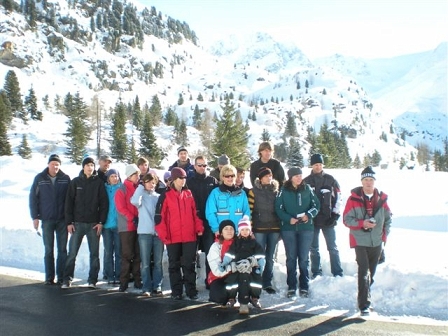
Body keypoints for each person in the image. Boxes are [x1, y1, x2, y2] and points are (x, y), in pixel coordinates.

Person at [343, 166, 391, 316]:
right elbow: (346, 219)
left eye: (371, 180)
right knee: (364, 271)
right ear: (361, 182)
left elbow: (388, 220)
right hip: (359, 240)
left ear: (374, 181)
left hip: (376, 242)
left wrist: (383, 237)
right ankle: (364, 304)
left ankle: (364, 295)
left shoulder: (382, 199)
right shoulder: (353, 199)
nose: (368, 182)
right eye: (366, 180)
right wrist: (362, 223)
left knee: (372, 272)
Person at [155, 167, 204, 300]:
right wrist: (163, 234)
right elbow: (159, 217)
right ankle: (176, 291)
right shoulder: (165, 195)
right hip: (172, 236)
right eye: (180, 178)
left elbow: (196, 213)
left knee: (189, 264)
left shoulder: (189, 194)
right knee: (174, 265)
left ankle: (191, 291)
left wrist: (199, 227)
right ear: (174, 179)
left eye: (184, 178)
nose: (183, 181)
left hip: (189, 236)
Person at [61, 157, 108, 289]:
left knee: (94, 254)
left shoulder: (98, 183)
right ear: (83, 167)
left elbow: (104, 204)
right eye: (87, 165)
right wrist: (69, 222)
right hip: (77, 224)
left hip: (93, 224)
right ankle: (67, 279)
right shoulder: (75, 182)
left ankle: (92, 280)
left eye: (92, 165)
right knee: (72, 254)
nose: (90, 167)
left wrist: (101, 222)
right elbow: (68, 203)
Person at [275, 167, 320, 299]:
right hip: (289, 229)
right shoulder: (283, 191)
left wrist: (308, 215)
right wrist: (289, 219)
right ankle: (292, 286)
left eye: (300, 175)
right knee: (291, 258)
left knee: (304, 259)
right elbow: (278, 208)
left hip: (306, 228)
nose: (299, 178)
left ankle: (304, 286)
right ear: (290, 178)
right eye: (296, 176)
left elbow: (316, 205)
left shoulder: (307, 189)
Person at [29, 154, 71, 285]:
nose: (55, 166)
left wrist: (70, 219)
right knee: (48, 249)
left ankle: (61, 276)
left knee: (62, 250)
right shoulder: (40, 178)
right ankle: (49, 277)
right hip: (47, 219)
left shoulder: (65, 178)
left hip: (62, 220)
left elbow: (70, 200)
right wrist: (35, 217)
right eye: (53, 164)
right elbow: (33, 199)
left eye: (57, 164)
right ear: (48, 165)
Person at [304, 153, 344, 278]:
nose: (318, 167)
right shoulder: (306, 182)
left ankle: (337, 272)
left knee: (333, 248)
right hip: (312, 221)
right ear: (312, 165)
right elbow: (302, 201)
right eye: (316, 164)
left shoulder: (331, 180)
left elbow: (339, 198)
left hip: (328, 220)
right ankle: (316, 272)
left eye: (320, 164)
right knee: (314, 249)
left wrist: (335, 216)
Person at [221, 216, 265, 314]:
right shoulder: (236, 242)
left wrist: (259, 265)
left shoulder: (254, 242)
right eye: (243, 230)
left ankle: (254, 298)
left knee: (255, 282)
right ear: (239, 231)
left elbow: (260, 255)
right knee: (232, 281)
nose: (245, 232)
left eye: (247, 229)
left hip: (251, 267)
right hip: (238, 267)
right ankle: (231, 298)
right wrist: (225, 263)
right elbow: (229, 254)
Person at [186, 155, 219, 288]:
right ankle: (191, 282)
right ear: (194, 166)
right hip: (192, 222)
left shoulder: (212, 181)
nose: (202, 167)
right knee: (191, 255)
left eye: (204, 165)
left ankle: (210, 281)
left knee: (210, 253)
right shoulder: (189, 181)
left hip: (208, 222)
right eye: (199, 165)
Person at [247, 167, 281, 294]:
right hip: (259, 228)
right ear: (260, 178)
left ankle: (267, 282)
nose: (269, 178)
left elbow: (280, 210)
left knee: (270, 257)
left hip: (274, 228)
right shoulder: (253, 192)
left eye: (270, 175)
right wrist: (250, 227)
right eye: (266, 176)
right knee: (259, 256)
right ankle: (256, 280)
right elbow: (249, 210)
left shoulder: (276, 191)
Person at [130, 173, 163, 297]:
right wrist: (140, 187)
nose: (151, 184)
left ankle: (157, 286)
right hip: (144, 233)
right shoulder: (141, 196)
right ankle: (147, 287)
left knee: (158, 262)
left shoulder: (158, 197)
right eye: (148, 182)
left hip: (158, 234)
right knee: (145, 263)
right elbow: (133, 201)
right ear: (144, 183)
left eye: (153, 182)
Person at [115, 164, 142, 292]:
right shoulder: (122, 189)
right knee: (126, 255)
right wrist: (132, 217)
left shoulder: (138, 188)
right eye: (136, 174)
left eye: (138, 174)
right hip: (126, 227)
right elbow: (121, 208)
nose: (138, 176)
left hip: (139, 226)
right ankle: (124, 282)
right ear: (130, 176)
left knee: (137, 254)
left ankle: (137, 280)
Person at [206, 164, 251, 235]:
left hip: (238, 232)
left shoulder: (241, 193)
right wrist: (216, 229)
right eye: (227, 176)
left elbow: (246, 211)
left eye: (232, 176)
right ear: (222, 177)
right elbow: (210, 212)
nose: (230, 178)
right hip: (222, 232)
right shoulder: (215, 193)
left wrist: (244, 227)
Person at [207, 220, 237, 306]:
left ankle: (236, 297)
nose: (229, 231)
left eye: (231, 229)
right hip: (218, 277)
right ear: (221, 232)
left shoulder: (239, 244)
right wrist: (231, 267)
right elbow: (217, 270)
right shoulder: (215, 246)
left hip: (235, 277)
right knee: (219, 298)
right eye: (226, 229)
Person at [102, 168, 122, 285]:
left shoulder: (121, 188)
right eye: (112, 176)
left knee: (119, 251)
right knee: (108, 251)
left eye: (116, 176)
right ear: (108, 178)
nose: (115, 178)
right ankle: (109, 275)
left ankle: (118, 275)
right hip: (106, 225)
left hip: (119, 225)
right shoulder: (104, 189)